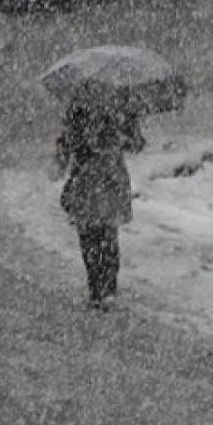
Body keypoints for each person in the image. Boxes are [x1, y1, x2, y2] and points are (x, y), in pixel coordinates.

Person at [55, 104, 135, 310]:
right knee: (106, 235)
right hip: (108, 182)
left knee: (91, 236)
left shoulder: (78, 109)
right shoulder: (118, 109)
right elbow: (134, 142)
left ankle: (98, 288)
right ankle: (107, 288)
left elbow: (66, 147)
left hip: (90, 182)